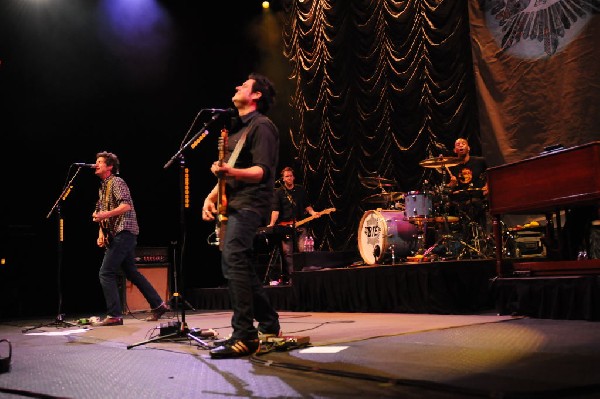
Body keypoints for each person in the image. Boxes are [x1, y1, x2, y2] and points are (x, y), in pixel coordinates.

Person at [201, 73, 281, 359]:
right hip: (232, 202)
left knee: (233, 259)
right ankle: (269, 322)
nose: (236, 86)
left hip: (251, 203)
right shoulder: (235, 130)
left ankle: (245, 334)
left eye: (244, 85)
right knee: (240, 264)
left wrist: (229, 172)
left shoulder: (262, 127)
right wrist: (210, 198)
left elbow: (262, 171)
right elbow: (227, 173)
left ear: (256, 95)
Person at [91, 151, 169, 327]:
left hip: (124, 231)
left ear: (110, 166)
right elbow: (101, 213)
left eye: (100, 162)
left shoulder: (117, 182)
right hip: (117, 233)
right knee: (132, 272)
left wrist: (105, 214)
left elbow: (126, 205)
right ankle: (158, 304)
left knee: (106, 272)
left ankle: (115, 315)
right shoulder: (103, 187)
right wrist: (101, 232)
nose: (96, 164)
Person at [268, 166, 320, 284]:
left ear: (294, 177)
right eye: (287, 176)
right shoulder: (279, 192)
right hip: (285, 227)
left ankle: (307, 277)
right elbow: (275, 211)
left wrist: (313, 213)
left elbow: (307, 205)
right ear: (283, 178)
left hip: (300, 225)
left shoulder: (300, 190)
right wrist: (271, 224)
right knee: (288, 254)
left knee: (304, 250)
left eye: (291, 176)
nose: (289, 178)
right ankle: (292, 278)